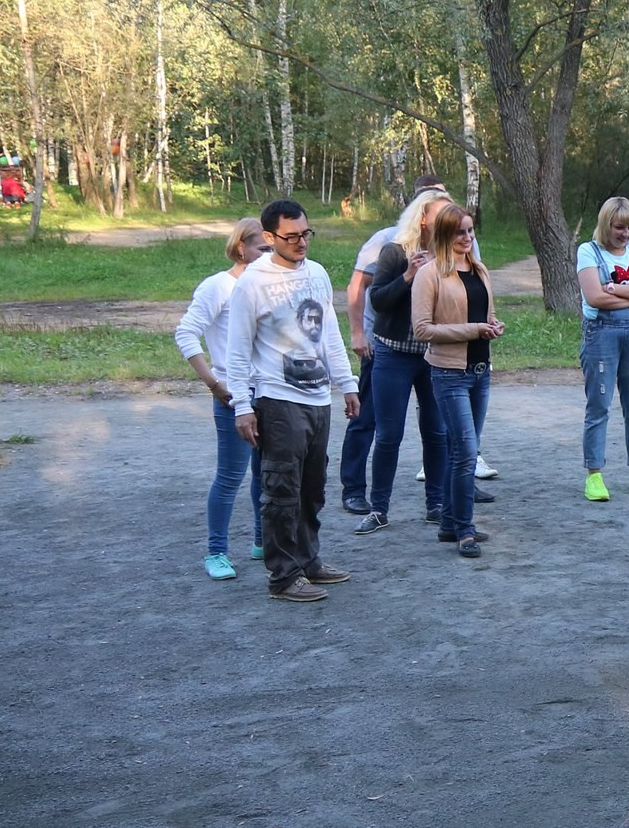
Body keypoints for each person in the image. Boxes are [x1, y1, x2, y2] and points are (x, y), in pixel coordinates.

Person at [222, 198, 359, 602]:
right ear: (269, 237)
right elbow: (236, 350)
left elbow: (329, 335)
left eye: (306, 233)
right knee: (281, 489)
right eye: (291, 236)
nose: (301, 242)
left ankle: (308, 560)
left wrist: (347, 383)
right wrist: (242, 406)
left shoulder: (316, 273)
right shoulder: (253, 282)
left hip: (318, 397)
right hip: (277, 399)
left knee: (312, 487)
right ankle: (283, 576)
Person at [340, 177, 447, 513]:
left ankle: (437, 504)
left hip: (433, 355)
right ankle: (370, 502)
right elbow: (377, 299)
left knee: (437, 431)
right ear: (423, 218)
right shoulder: (394, 250)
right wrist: (408, 276)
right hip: (391, 352)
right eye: (442, 213)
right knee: (384, 431)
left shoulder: (451, 253)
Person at [175, 214, 269, 578]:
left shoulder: (271, 285)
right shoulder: (218, 286)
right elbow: (186, 333)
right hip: (233, 395)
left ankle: (263, 540)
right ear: (241, 247)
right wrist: (214, 383)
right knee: (231, 476)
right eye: (262, 249)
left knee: (266, 473)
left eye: (272, 248)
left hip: (271, 393)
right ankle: (216, 552)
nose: (269, 255)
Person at [413, 203, 504, 559]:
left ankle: (449, 523)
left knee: (460, 449)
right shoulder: (430, 274)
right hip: (449, 374)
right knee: (466, 452)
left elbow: (487, 314)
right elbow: (423, 330)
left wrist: (492, 326)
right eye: (459, 232)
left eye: (470, 230)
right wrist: (473, 330)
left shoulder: (479, 269)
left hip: (480, 371)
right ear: (444, 235)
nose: (467, 238)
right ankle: (465, 530)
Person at [578, 195, 629, 501]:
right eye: (619, 227)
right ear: (606, 224)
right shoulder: (588, 251)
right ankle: (594, 474)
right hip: (601, 334)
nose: (626, 234)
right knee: (599, 404)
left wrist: (617, 291)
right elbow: (595, 298)